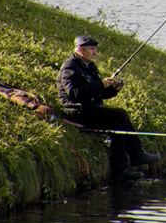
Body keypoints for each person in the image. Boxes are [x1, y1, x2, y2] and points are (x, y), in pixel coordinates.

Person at [57, 35, 160, 180]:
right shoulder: (69, 67)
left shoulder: (91, 67)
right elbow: (75, 93)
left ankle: (121, 170)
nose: (95, 53)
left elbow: (100, 94)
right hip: (77, 111)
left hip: (91, 110)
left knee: (116, 125)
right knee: (120, 114)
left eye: (96, 49)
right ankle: (137, 154)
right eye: (92, 49)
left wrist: (113, 89)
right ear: (80, 50)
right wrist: (100, 84)